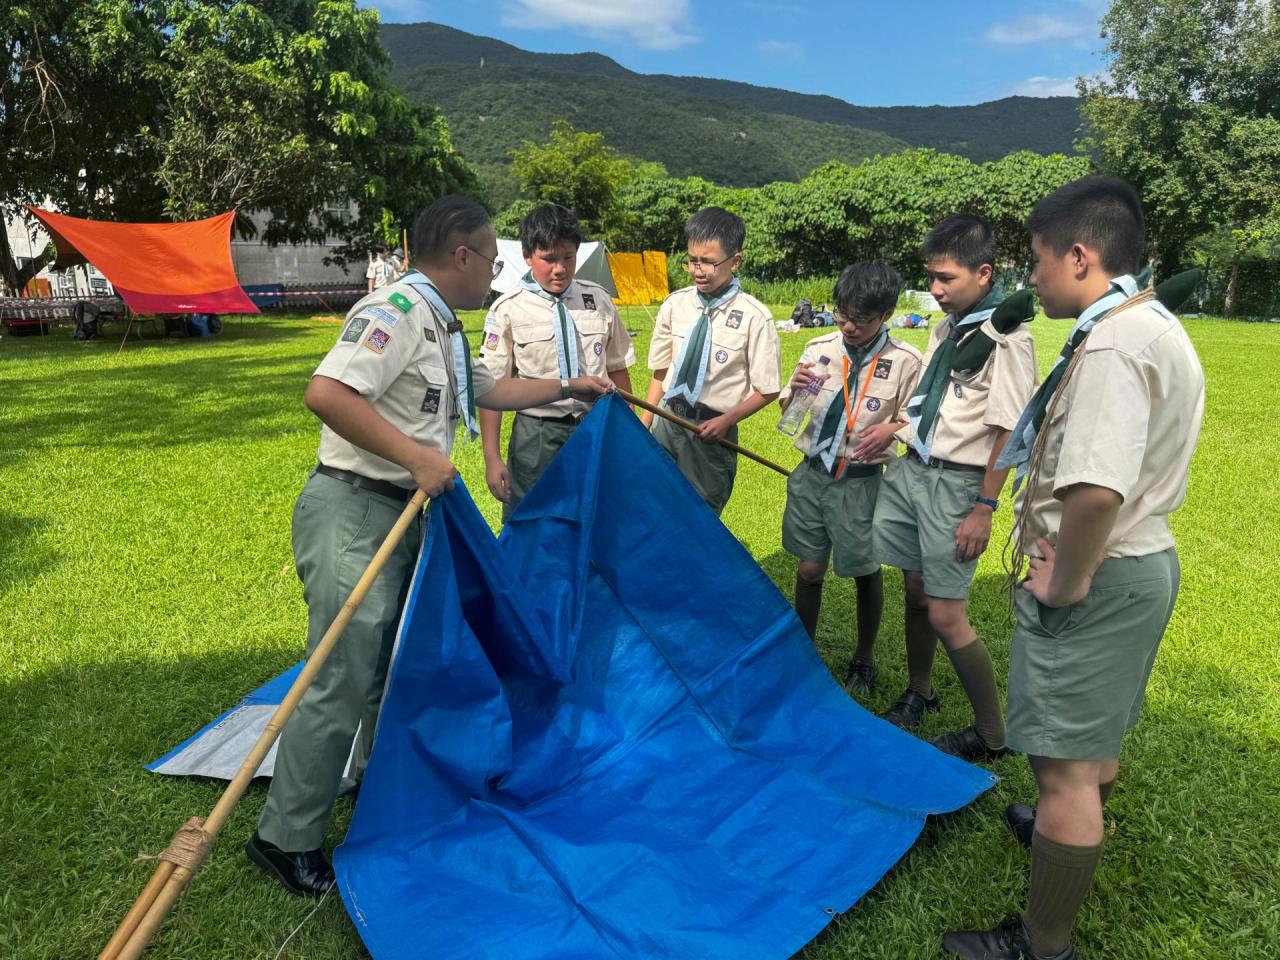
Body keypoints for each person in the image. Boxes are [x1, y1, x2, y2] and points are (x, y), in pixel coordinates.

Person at [245, 195, 612, 898]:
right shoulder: (396, 313)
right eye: (494, 260)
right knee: (340, 677)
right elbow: (326, 393)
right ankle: (283, 837)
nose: (500, 275)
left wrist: (571, 383)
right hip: (356, 511)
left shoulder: (443, 326)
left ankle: (363, 784)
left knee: (388, 667)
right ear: (463, 256)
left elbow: (492, 388)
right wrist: (417, 458)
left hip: (403, 515)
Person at [941, 178, 1204, 960]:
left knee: (1064, 774)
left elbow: (1093, 490)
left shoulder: (1115, 345)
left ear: (1080, 255)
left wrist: (1066, 580)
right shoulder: (1148, 322)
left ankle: (1041, 941)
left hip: (1102, 571)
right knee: (1092, 746)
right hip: (1143, 561)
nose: (1034, 277)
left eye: (1039, 261)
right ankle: (1071, 819)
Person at [871, 214, 1038, 760]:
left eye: (947, 279)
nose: (935, 290)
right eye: (932, 278)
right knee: (915, 592)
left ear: (985, 273)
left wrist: (985, 506)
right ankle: (920, 691)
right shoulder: (947, 329)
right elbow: (937, 407)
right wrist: (892, 431)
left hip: (959, 485)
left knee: (947, 613)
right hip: (914, 471)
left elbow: (1008, 427)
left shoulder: (1007, 339)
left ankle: (993, 734)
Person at [779, 261, 923, 693]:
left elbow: (921, 423)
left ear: (887, 313)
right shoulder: (820, 348)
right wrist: (796, 392)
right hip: (812, 476)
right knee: (808, 569)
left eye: (861, 319)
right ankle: (803, 651)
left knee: (864, 568)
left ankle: (863, 657)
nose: (848, 325)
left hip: (861, 482)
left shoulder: (905, 362)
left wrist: (894, 429)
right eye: (842, 314)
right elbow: (791, 418)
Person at [479, 204, 635, 519]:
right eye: (548, 259)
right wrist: (492, 457)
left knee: (595, 515)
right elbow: (490, 391)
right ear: (527, 256)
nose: (560, 269)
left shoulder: (598, 300)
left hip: (593, 428)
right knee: (531, 519)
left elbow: (618, 369)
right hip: (536, 436)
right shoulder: (507, 309)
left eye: (568, 257)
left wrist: (626, 433)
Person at [642, 207, 781, 515]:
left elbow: (768, 389)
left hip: (710, 432)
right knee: (653, 506)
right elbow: (661, 370)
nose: (698, 270)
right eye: (692, 260)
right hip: (667, 420)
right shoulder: (675, 304)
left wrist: (727, 421)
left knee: (699, 518)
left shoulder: (754, 317)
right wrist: (646, 422)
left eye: (708, 262)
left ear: (735, 261)